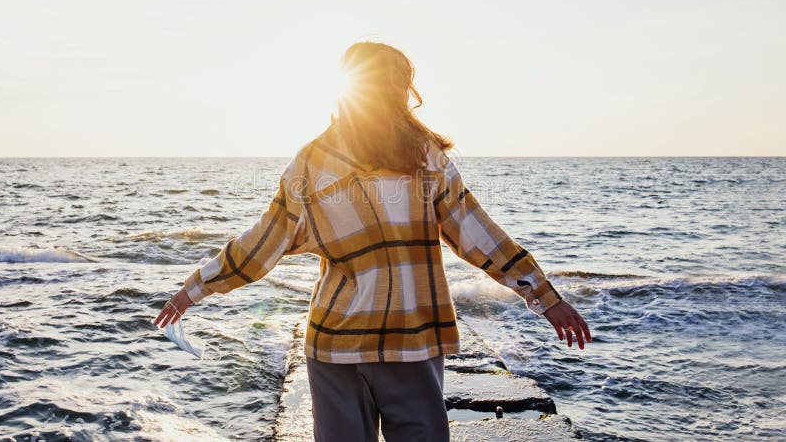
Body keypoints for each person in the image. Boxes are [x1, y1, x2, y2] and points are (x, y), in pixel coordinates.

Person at [154, 41, 591, 442]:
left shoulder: (311, 161)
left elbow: (259, 247)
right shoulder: (425, 157)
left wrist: (194, 289)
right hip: (411, 339)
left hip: (335, 341)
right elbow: (477, 234)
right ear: (401, 89)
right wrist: (544, 296)